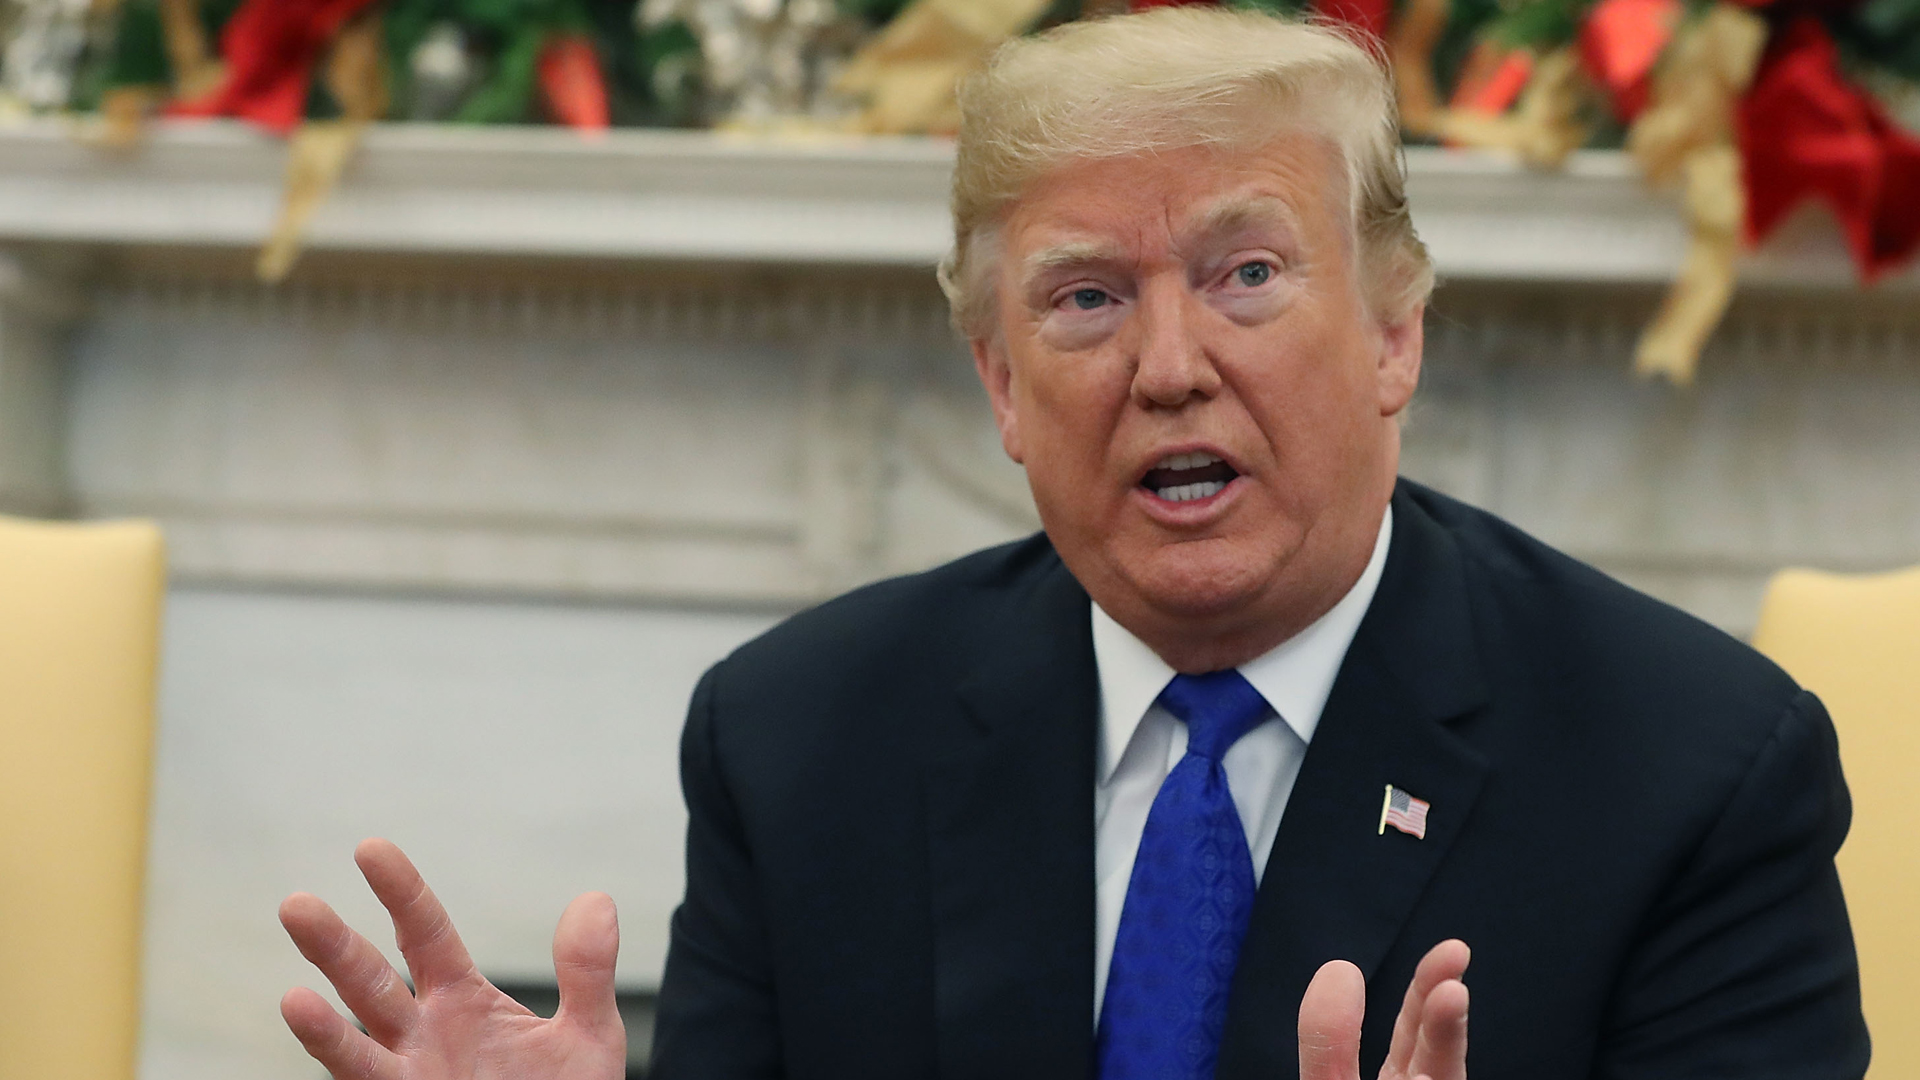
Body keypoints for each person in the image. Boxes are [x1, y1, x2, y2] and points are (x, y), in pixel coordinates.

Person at [276, 9, 1869, 1080]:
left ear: (1396, 335)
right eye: (1086, 298)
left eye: (1246, 273)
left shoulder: (1691, 771)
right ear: (1002, 386)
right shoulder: (800, 735)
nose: (1169, 364)